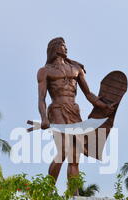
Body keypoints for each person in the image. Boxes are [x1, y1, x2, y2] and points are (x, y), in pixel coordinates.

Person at [36, 37, 115, 188]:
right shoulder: (45, 71)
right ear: (55, 48)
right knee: (63, 150)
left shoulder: (76, 69)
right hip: (57, 110)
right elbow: (41, 98)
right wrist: (44, 118)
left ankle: (74, 194)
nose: (66, 49)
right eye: (63, 46)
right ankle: (48, 191)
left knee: (75, 156)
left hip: (74, 110)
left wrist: (103, 106)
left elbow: (89, 94)